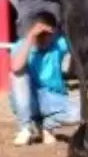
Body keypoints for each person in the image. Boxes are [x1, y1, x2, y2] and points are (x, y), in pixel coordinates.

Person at [9, 12, 80, 146]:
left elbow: (77, 41)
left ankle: (46, 127)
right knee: (18, 74)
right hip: (30, 99)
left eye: (48, 35)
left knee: (80, 113)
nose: (43, 38)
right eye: (40, 35)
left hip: (53, 98)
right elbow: (16, 68)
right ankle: (25, 128)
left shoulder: (58, 43)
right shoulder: (22, 45)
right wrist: (31, 37)